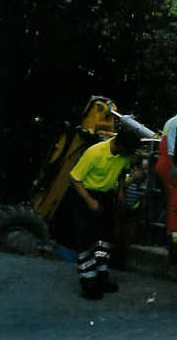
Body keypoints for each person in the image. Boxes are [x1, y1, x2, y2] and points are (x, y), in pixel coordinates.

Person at [69, 127, 144, 299]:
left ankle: (101, 277)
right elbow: (74, 178)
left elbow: (122, 172)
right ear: (121, 145)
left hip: (106, 196)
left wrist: (120, 192)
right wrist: (90, 201)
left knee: (104, 239)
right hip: (87, 195)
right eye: (129, 150)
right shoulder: (94, 153)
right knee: (86, 240)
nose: (130, 154)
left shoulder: (123, 156)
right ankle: (88, 282)